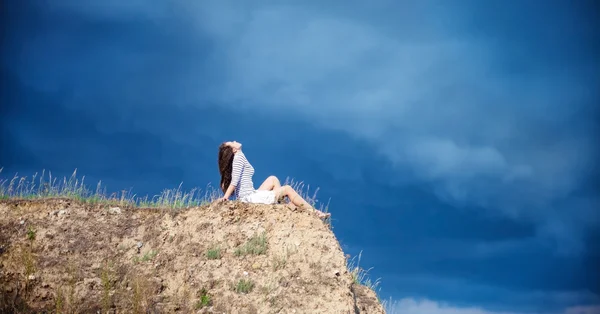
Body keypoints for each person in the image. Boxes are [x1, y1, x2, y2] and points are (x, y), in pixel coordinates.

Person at [216, 140, 330, 219]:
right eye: (231, 143)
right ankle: (314, 212)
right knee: (287, 189)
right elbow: (234, 181)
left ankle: (280, 206)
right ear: (234, 150)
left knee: (272, 179)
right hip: (249, 198)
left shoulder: (239, 157)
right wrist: (225, 197)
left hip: (251, 194)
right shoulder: (238, 157)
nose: (234, 141)